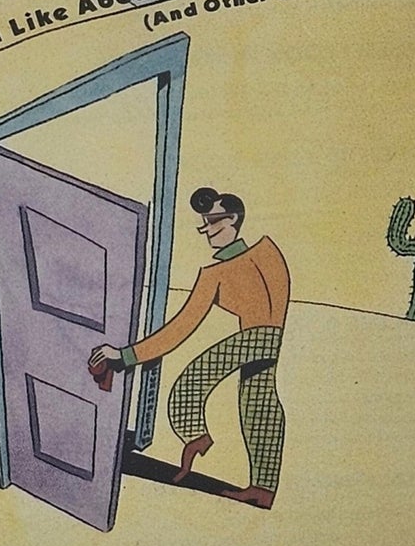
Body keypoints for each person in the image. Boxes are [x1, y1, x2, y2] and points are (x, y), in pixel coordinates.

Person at [90, 187, 289, 508]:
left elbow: (180, 329)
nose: (207, 231)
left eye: (213, 222)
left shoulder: (233, 267)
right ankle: (262, 487)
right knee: (257, 402)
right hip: (270, 339)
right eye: (204, 225)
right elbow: (181, 328)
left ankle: (197, 437)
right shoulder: (262, 254)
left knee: (192, 384)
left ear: (233, 219)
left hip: (258, 338)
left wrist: (124, 356)